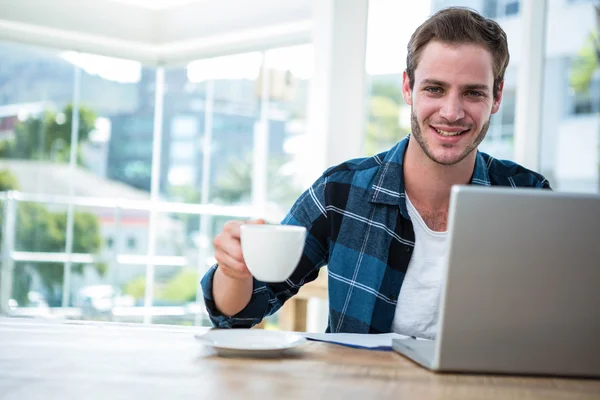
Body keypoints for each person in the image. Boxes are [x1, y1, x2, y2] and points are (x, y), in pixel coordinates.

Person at [200, 7, 550, 338]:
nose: (451, 111)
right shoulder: (340, 191)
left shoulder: (530, 199)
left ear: (497, 95)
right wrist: (234, 270)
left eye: (473, 93)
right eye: (434, 89)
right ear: (408, 88)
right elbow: (237, 315)